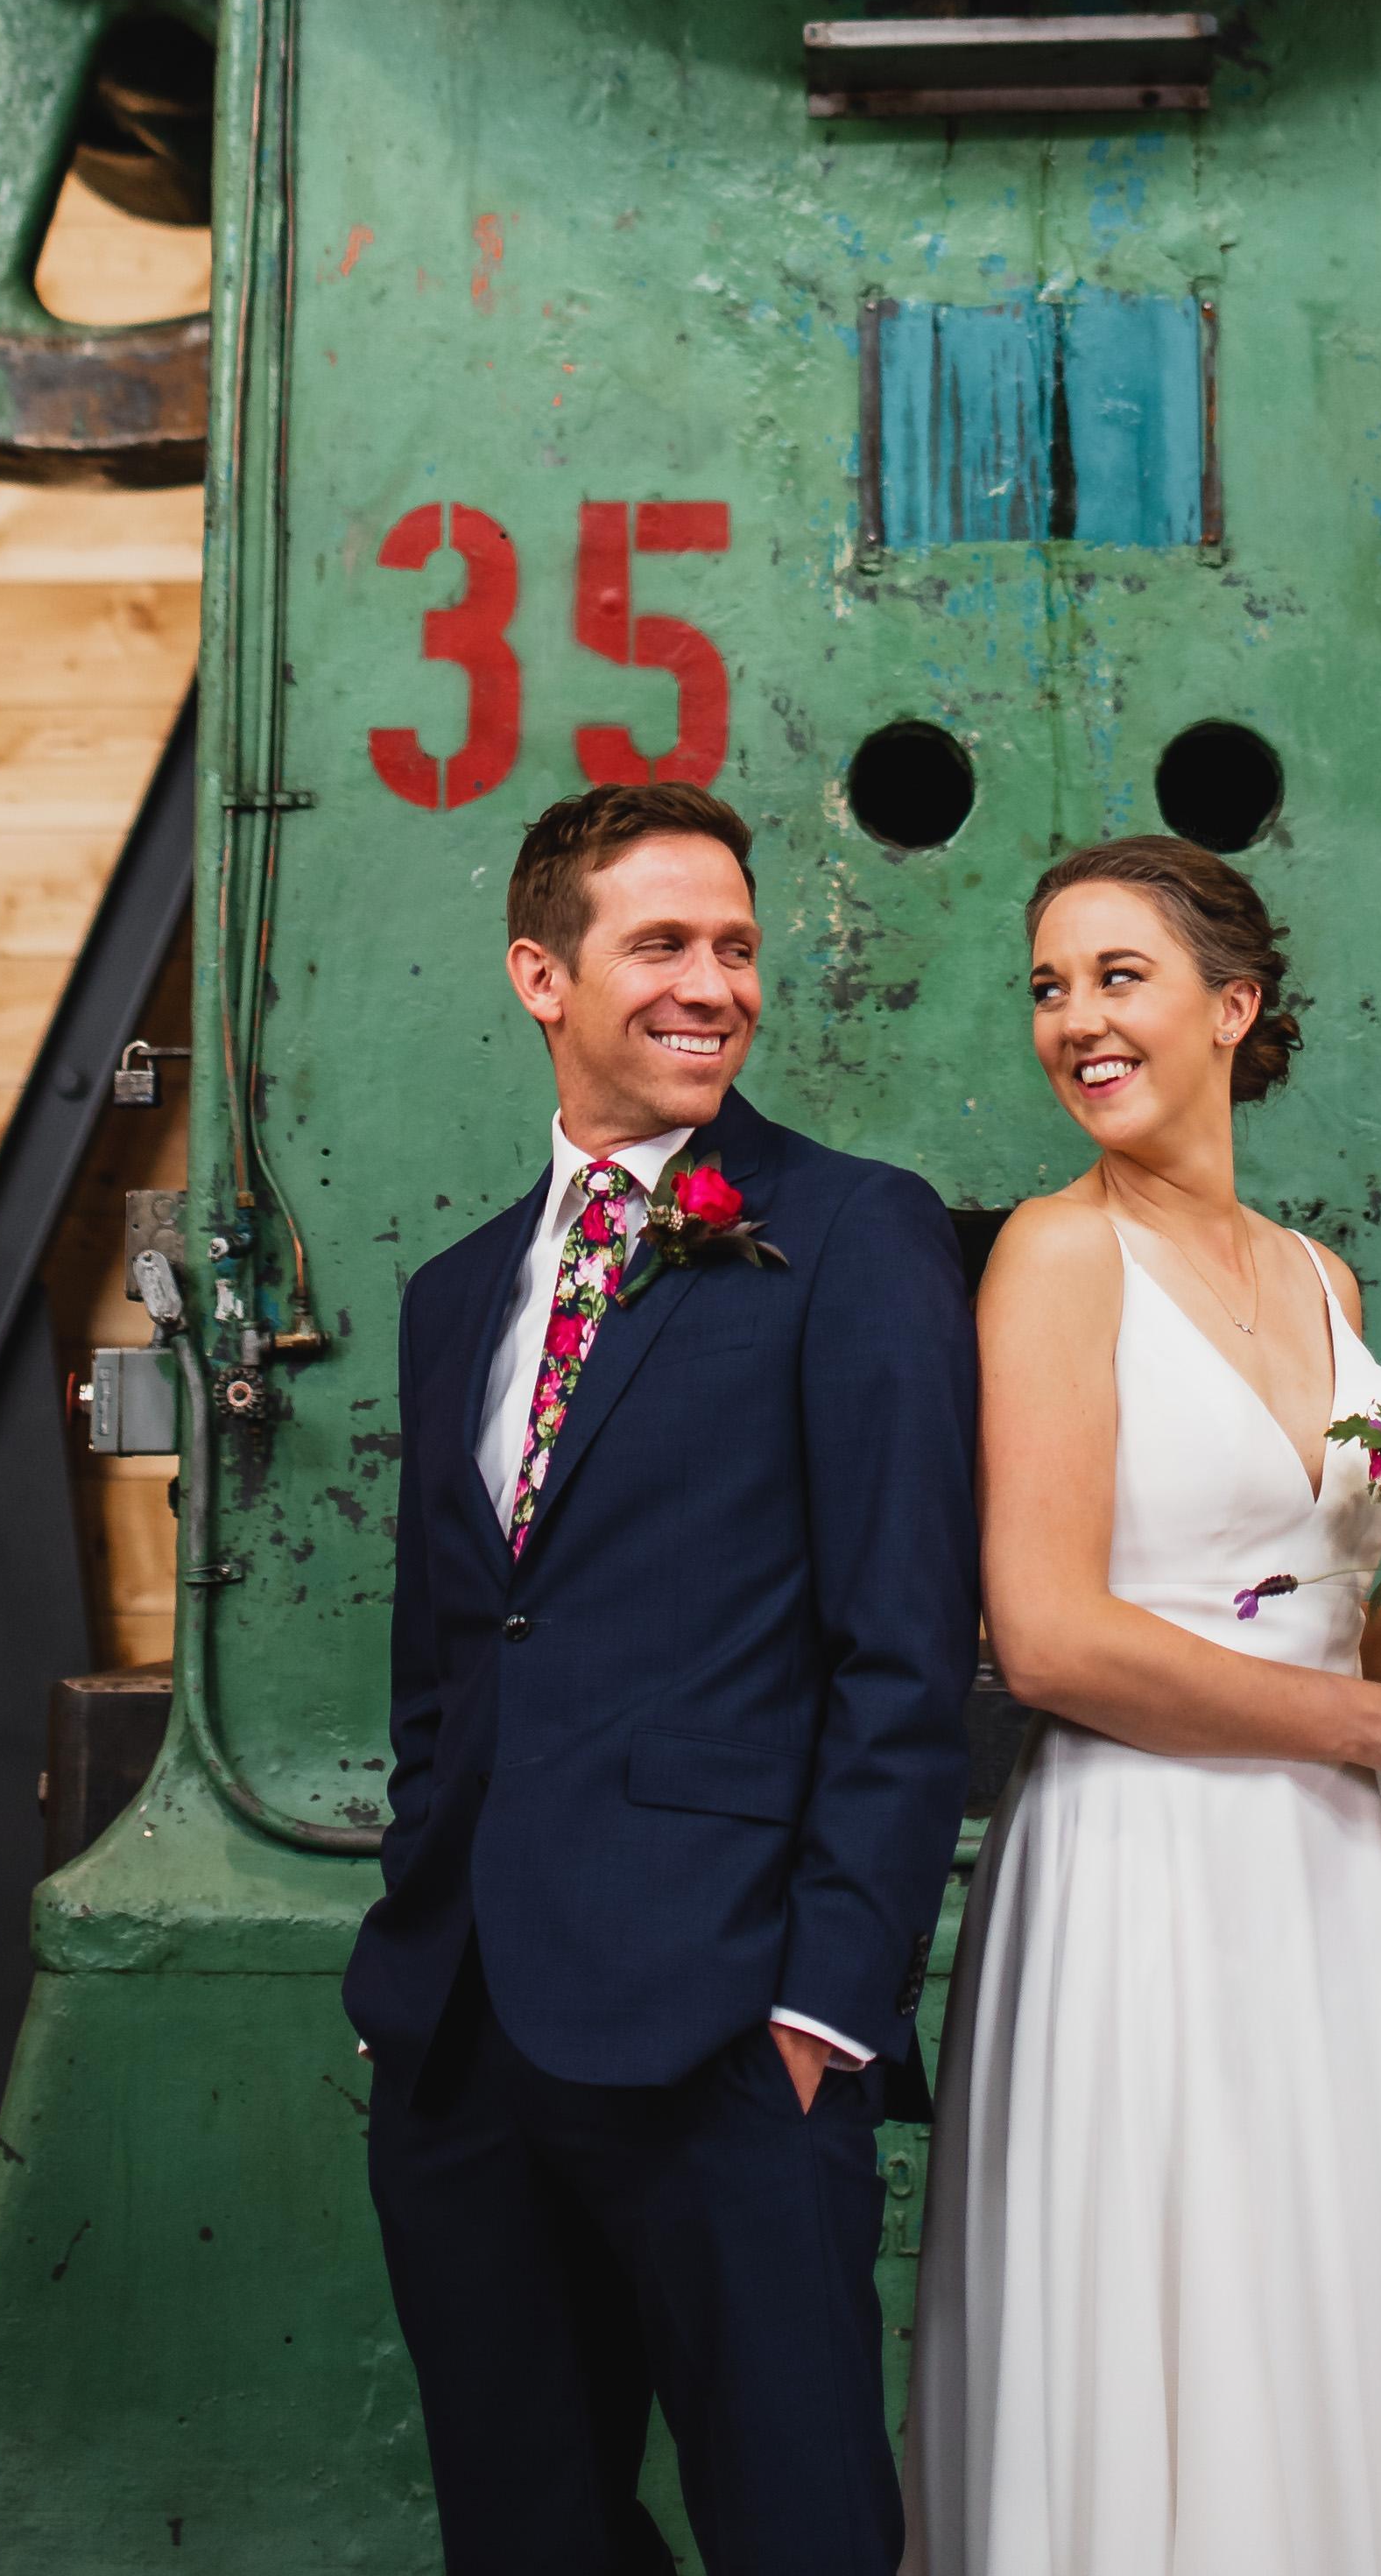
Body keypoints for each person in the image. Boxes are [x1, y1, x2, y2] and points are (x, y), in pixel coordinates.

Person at [903, 834, 1381, 2576]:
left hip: (1328, 1883)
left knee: (1325, 2312)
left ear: (1231, 1005)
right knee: (1161, 2330)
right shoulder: (1054, 1259)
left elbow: (1326, 1618)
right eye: (1049, 987)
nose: (1075, 1020)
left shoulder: (1322, 1278)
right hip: (1139, 1871)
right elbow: (1048, 1638)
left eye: (1118, 976)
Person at [345, 777, 980, 2576]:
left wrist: (826, 2010)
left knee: (799, 2532)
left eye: (736, 948)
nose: (715, 985)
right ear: (541, 975)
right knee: (524, 2537)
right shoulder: (454, 1292)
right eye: (663, 945)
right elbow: (447, 1663)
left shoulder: (852, 1232)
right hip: (461, 2040)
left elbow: (904, 1647)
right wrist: (408, 1961)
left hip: (728, 2034)